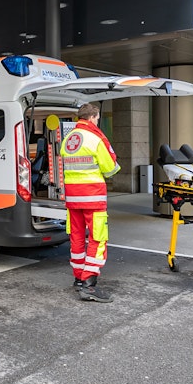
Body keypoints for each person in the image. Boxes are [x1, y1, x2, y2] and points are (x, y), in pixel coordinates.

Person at [60, 103, 120, 302]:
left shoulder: (68, 139)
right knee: (97, 238)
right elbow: (110, 167)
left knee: (76, 238)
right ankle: (89, 285)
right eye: (97, 118)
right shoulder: (95, 138)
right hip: (92, 197)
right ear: (93, 117)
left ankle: (78, 279)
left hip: (73, 198)